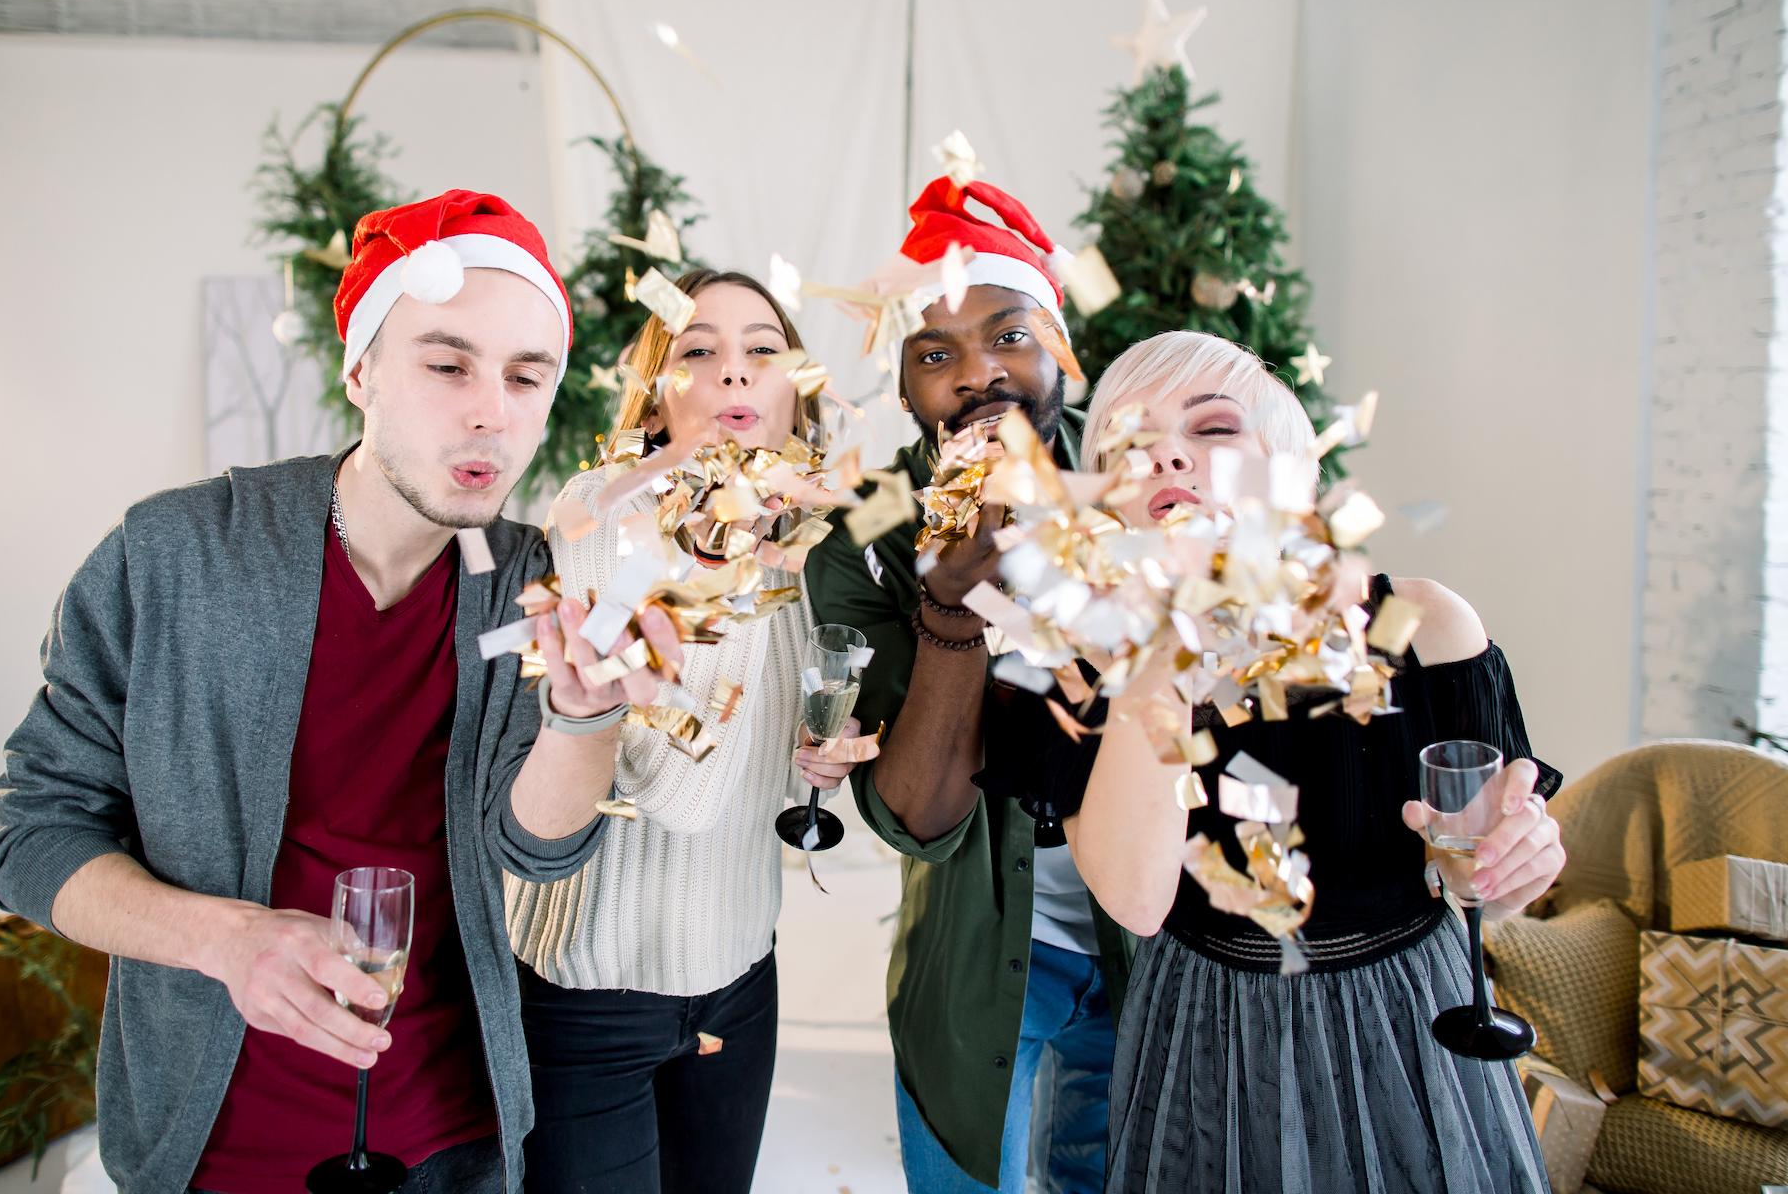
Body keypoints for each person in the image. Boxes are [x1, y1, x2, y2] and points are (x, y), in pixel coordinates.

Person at [0, 189, 677, 1194]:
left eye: (527, 376)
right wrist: (228, 939)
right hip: (214, 1144)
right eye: (447, 364)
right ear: (361, 370)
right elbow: (33, 837)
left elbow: (536, 847)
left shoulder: (526, 577)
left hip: (457, 1135)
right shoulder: (175, 554)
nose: (492, 406)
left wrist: (584, 719)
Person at [1047, 331, 1565, 1192]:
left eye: (1214, 431)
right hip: (1204, 1038)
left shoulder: (1426, 628)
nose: (1169, 452)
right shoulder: (1084, 669)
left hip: (1410, 1029)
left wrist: (1509, 866)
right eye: (1133, 444)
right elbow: (1137, 901)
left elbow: (1486, 884)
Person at [509, 268, 866, 1194]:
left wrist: (816, 761)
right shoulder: (599, 518)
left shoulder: (814, 543)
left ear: (798, 393)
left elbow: (774, 789)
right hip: (586, 995)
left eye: (763, 353)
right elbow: (685, 797)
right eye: (699, 352)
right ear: (659, 397)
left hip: (742, 977)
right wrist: (728, 550)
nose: (735, 376)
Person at [804, 179, 1125, 1193]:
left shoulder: (1144, 482)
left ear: (1060, 353)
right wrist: (952, 600)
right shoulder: (865, 532)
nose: (981, 375)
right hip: (980, 963)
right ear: (902, 392)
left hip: (1155, 955)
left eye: (1009, 337)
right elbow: (913, 816)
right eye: (936, 355)